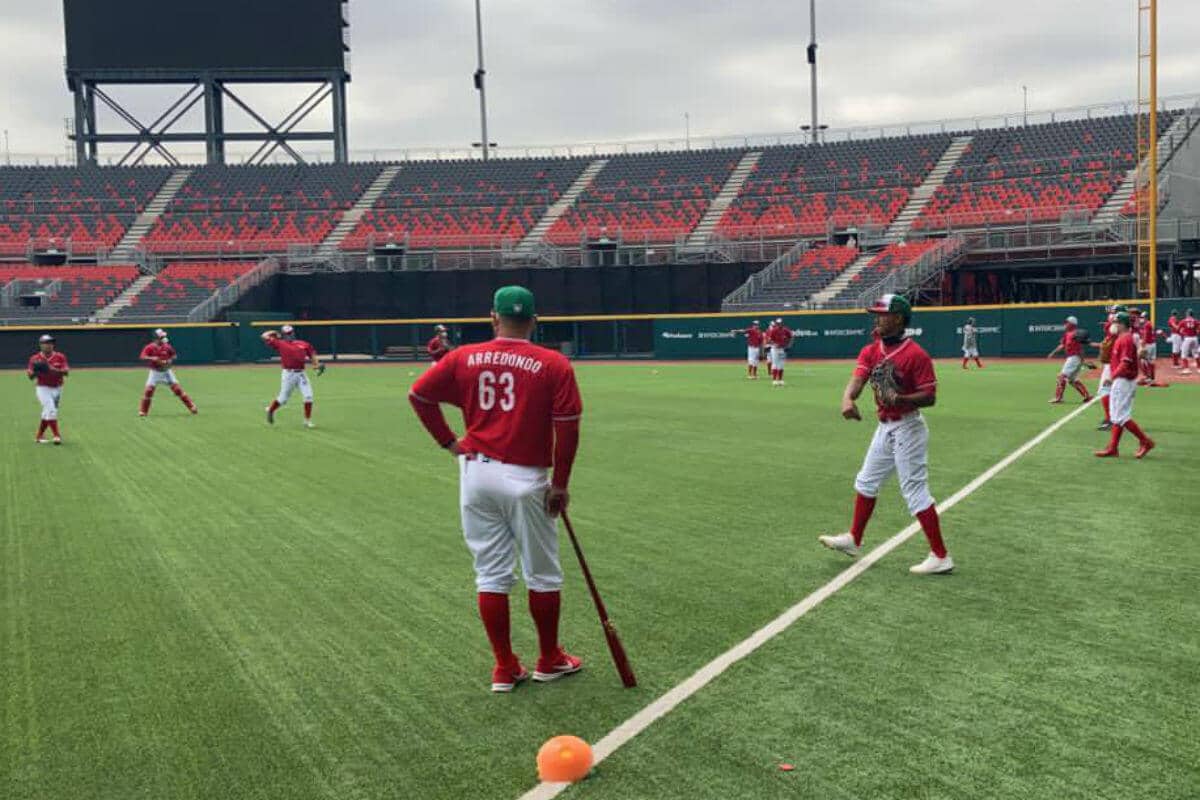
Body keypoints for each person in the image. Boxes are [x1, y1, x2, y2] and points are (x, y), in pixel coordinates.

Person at [408, 286, 584, 692]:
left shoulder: (463, 356)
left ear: (493, 318)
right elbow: (567, 429)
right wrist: (560, 485)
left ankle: (505, 668)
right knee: (542, 574)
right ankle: (549, 659)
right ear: (535, 321)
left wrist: (449, 443)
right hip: (526, 477)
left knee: (490, 574)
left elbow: (418, 396)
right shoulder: (553, 363)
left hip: (476, 472)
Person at [818, 294, 952, 575]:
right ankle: (854, 539)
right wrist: (847, 400)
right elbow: (857, 379)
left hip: (908, 427)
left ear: (899, 319)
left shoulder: (916, 354)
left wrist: (900, 398)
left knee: (915, 492)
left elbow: (930, 396)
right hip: (885, 427)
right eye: (876, 313)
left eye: (883, 314)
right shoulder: (871, 350)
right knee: (866, 482)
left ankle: (940, 555)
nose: (877, 318)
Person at [1094, 312, 1155, 459]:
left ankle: (1145, 441)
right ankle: (1113, 448)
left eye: (1115, 322)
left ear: (1122, 324)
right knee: (1116, 416)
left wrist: (1112, 377)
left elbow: (1126, 362)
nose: (1113, 325)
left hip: (1124, 381)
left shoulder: (1126, 339)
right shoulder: (1121, 338)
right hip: (1120, 380)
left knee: (1121, 417)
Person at [261, 324, 324, 428]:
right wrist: (274, 333)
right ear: (283, 335)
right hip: (288, 374)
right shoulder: (279, 343)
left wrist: (316, 365)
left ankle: (307, 421)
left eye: (290, 333)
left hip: (301, 373)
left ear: (293, 333)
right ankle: (271, 410)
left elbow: (312, 355)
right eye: (287, 334)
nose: (289, 336)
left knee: (308, 396)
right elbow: (264, 335)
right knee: (283, 399)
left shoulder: (303, 344)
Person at [138, 328, 198, 416]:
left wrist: (169, 360)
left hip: (166, 371)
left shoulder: (167, 346)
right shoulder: (150, 347)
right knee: (149, 390)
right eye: (162, 336)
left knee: (177, 389)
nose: (164, 338)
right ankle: (143, 411)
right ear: (156, 338)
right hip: (155, 372)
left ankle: (192, 407)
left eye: (164, 336)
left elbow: (174, 355)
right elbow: (143, 356)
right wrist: (152, 358)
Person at [27, 334, 69, 444]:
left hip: (58, 388)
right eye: (46, 343)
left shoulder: (60, 356)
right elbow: (30, 376)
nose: (49, 345)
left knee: (47, 412)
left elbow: (66, 372)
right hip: (43, 388)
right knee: (51, 410)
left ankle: (39, 436)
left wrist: (52, 369)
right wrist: (37, 372)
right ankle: (57, 436)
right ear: (40, 345)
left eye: (50, 343)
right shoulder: (35, 358)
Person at [1046, 316, 1092, 404]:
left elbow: (1080, 348)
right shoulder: (1067, 334)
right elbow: (1062, 345)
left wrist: (1083, 360)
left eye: (1067, 322)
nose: (1065, 324)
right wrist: (1053, 352)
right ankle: (1087, 396)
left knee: (1061, 377)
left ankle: (1058, 397)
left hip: (1074, 358)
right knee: (1072, 380)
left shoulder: (1076, 333)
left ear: (1072, 324)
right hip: (1073, 358)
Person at [767, 317, 794, 386]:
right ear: (776, 323)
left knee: (781, 365)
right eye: (778, 323)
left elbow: (791, 336)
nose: (779, 324)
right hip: (775, 349)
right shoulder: (774, 330)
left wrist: (789, 345)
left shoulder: (785, 330)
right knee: (775, 364)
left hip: (782, 349)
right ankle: (774, 380)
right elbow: (769, 340)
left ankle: (780, 380)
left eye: (780, 323)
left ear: (782, 323)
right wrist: (774, 343)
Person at [1177, 309, 1198, 374]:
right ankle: (1199, 368)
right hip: (1195, 338)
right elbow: (1198, 330)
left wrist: (1182, 332)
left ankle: (1186, 369)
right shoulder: (1196, 321)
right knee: (1196, 354)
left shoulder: (1183, 321)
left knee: (1183, 354)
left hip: (1187, 338)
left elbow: (1178, 329)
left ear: (1187, 314)